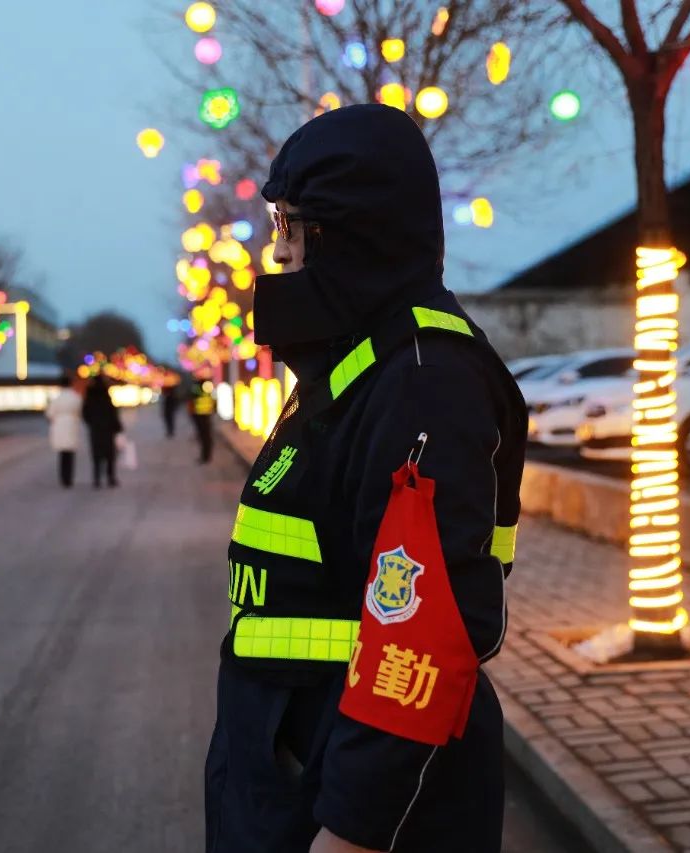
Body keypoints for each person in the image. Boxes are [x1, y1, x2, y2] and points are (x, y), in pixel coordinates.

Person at [204, 104, 528, 853]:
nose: (277, 250)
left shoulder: (423, 380)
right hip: (295, 761)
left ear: (343, 232)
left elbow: (424, 628)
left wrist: (352, 831)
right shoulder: (358, 364)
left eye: (290, 225)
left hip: (355, 801)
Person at [81, 375, 122, 488]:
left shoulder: (89, 397)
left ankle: (96, 478)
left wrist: (91, 423)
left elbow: (85, 414)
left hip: (95, 429)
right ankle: (110, 477)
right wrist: (117, 426)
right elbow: (113, 413)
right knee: (109, 455)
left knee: (96, 455)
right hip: (108, 429)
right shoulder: (106, 395)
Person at [45, 375, 82, 488]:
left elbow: (49, 414)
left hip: (60, 425)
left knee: (62, 454)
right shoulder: (75, 397)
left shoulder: (57, 399)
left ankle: (63, 477)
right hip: (71, 424)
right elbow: (79, 410)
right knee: (70, 454)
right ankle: (69, 478)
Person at [188, 370, 214, 464]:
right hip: (199, 414)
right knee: (202, 436)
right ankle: (204, 456)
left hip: (204, 414)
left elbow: (197, 396)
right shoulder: (197, 385)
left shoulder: (205, 384)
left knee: (205, 436)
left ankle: (206, 456)